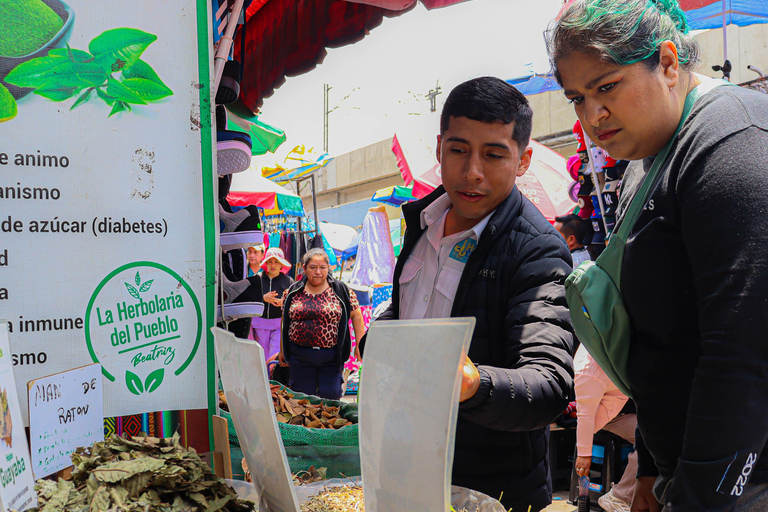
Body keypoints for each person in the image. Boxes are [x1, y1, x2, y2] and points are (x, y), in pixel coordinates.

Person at [547, 1, 768, 510]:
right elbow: (661, 340)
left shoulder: (732, 142)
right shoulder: (649, 157)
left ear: (668, 63)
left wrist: (699, 497)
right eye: (576, 97)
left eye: (606, 87)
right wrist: (648, 466)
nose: (591, 115)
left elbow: (744, 352)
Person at [365, 76, 575, 511]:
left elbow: (549, 385)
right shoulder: (420, 225)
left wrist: (473, 383)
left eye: (494, 154)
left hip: (493, 491)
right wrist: (383, 338)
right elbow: (412, 314)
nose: (472, 171)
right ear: (440, 147)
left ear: (523, 160)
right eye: (458, 150)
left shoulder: (538, 249)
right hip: (406, 471)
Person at [278, 248, 366, 399]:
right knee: (302, 400)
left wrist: (361, 343)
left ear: (329, 269)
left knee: (330, 397)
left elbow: (356, 315)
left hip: (331, 357)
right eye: (312, 267)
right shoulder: (292, 292)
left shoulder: (341, 290)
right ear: (304, 269)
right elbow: (284, 322)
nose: (317, 272)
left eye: (322, 267)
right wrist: (282, 350)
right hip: (299, 356)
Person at [573, 344, 638, 512]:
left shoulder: (620, 348)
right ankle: (620, 497)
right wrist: (584, 454)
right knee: (652, 439)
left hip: (623, 407)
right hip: (606, 417)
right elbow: (587, 418)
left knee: (662, 434)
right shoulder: (588, 371)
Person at [249, 247, 293, 360]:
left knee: (274, 355)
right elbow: (248, 300)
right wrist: (263, 298)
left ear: (281, 264)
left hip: (279, 325)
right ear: (265, 263)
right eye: (270, 262)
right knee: (261, 356)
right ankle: (263, 378)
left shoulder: (288, 281)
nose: (273, 265)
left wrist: (284, 302)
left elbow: (294, 301)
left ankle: (273, 377)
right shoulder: (257, 279)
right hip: (259, 324)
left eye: (276, 262)